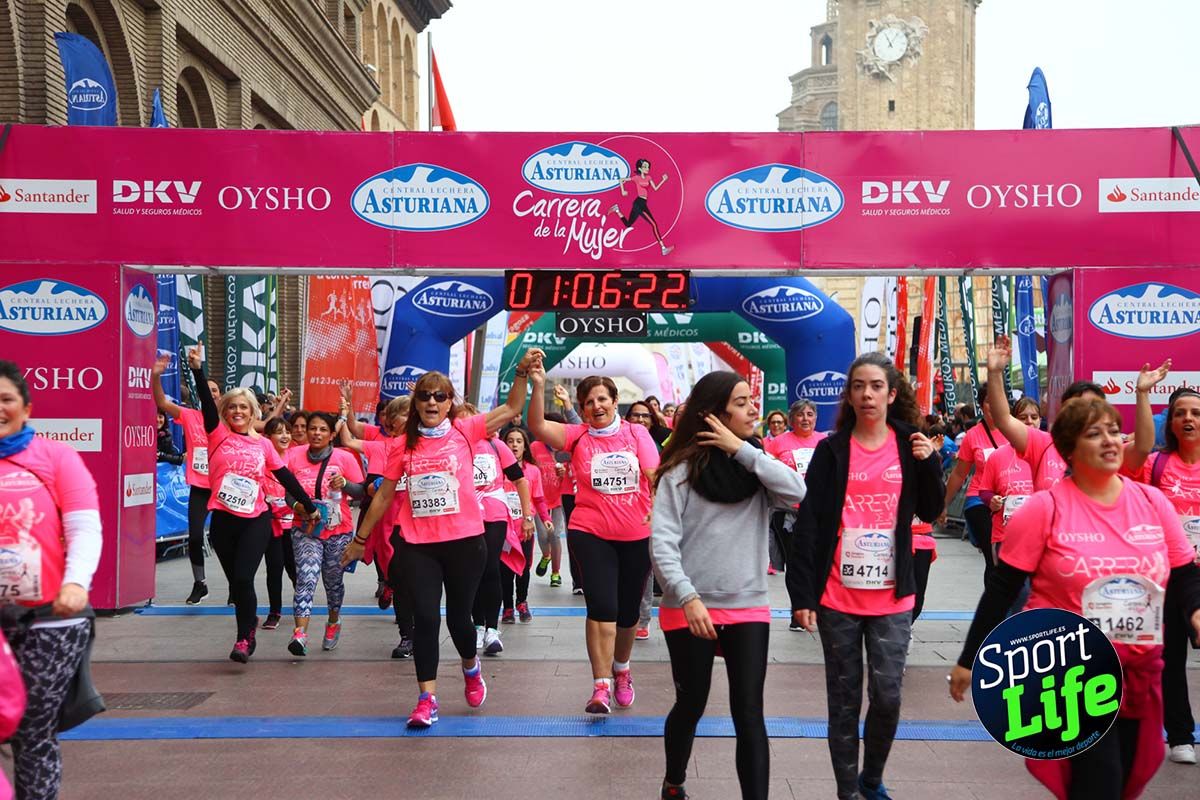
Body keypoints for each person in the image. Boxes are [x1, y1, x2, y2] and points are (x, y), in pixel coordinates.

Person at [950, 396, 1200, 800]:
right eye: (1094, 433)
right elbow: (1002, 588)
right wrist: (968, 659)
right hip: (1071, 674)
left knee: (1125, 782)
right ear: (1068, 449)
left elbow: (1185, 572)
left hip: (1139, 673)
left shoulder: (1153, 503)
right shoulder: (1043, 509)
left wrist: (1196, 612)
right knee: (1099, 783)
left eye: (1114, 432)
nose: (1110, 441)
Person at [342, 349, 543, 727]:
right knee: (425, 618)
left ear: (450, 402)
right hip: (418, 545)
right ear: (415, 402)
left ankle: (470, 667)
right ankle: (426, 698)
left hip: (466, 542)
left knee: (459, 621)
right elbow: (385, 494)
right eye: (424, 395)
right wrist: (360, 538)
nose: (432, 402)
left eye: (440, 396)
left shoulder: (467, 432)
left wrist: (520, 372)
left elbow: (514, 407)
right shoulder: (401, 444)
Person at [787, 352, 944, 800]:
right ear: (850, 395)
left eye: (876, 386)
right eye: (858, 386)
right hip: (838, 593)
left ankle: (871, 779)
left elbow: (931, 511)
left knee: (889, 694)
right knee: (844, 701)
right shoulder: (832, 450)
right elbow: (811, 522)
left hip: (893, 593)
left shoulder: (909, 444)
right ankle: (846, 792)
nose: (867, 394)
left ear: (891, 394)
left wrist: (930, 462)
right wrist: (802, 595)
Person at [651, 371, 806, 800]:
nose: (753, 408)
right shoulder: (678, 473)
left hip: (748, 605)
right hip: (689, 607)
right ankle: (674, 781)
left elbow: (799, 493)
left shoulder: (757, 468)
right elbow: (662, 546)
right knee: (692, 702)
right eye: (740, 402)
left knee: (749, 714)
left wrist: (743, 451)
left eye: (750, 399)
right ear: (715, 414)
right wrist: (688, 597)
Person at [528, 369, 661, 714]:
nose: (596, 406)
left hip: (636, 534)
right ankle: (600, 685)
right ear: (582, 409)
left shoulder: (637, 434)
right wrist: (538, 385)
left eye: (602, 399)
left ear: (615, 402)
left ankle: (622, 670)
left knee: (628, 612)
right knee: (601, 607)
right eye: (589, 402)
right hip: (590, 532)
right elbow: (539, 427)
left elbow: (653, 476)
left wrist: (662, 514)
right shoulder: (577, 436)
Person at [0, 360, 102, 800]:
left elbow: (84, 527)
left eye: (5, 399)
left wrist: (75, 584)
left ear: (27, 408)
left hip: (49, 621)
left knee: (29, 729)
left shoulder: (56, 457)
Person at [186, 346, 318, 662]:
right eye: (232, 407)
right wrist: (197, 370)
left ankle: (244, 638)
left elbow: (285, 476)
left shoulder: (262, 444)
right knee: (237, 584)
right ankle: (250, 621)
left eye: (244, 407)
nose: (238, 411)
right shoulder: (217, 434)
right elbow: (206, 403)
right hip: (222, 521)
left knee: (244, 578)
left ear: (253, 411)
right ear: (226, 411)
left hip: (256, 520)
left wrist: (308, 504)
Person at [1127, 383, 1200, 765]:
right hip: (1170, 574)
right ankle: (1181, 735)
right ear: (1170, 422)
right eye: (1180, 413)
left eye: (1195, 413)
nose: (1188, 419)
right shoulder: (1155, 464)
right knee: (1171, 659)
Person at [984, 336, 1160, 492]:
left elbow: (1143, 447)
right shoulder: (1043, 444)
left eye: (1093, 406)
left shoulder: (1111, 447)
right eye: (1077, 406)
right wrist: (995, 372)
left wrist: (1142, 393)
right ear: (1064, 412)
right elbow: (1003, 419)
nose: (1085, 413)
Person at [340, 394, 416, 658]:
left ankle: (417, 631)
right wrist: (345, 410)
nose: (413, 417)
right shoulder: (381, 446)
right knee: (398, 578)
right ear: (392, 422)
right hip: (388, 523)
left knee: (417, 581)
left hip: (421, 524)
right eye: (406, 413)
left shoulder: (430, 446)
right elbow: (349, 439)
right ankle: (407, 635)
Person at [285, 412, 365, 656]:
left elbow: (361, 491)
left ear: (332, 435)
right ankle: (300, 635)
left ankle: (333, 621)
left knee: (332, 582)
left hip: (337, 531)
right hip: (305, 529)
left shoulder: (344, 458)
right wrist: (299, 507)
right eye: (312, 429)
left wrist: (345, 485)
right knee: (306, 578)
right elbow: (289, 491)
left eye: (322, 430)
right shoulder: (293, 456)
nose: (316, 433)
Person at [464, 404, 532, 657]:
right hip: (466, 515)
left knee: (490, 566)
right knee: (472, 571)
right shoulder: (455, 445)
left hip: (494, 513)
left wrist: (527, 516)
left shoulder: (495, 445)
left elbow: (520, 480)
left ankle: (492, 629)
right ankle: (478, 625)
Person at [152, 355, 221, 604]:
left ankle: (237, 585)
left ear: (221, 397)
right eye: (208, 390)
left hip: (226, 488)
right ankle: (199, 583)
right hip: (201, 487)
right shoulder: (190, 416)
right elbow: (160, 401)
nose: (211, 394)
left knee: (225, 541)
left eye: (215, 391)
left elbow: (263, 426)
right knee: (194, 536)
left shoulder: (231, 420)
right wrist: (156, 375)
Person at [940, 382, 1008, 585]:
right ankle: (995, 612)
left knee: (1008, 559)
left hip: (1010, 502)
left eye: (998, 400)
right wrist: (943, 505)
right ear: (981, 405)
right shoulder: (973, 436)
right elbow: (959, 474)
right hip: (979, 500)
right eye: (989, 401)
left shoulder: (1016, 431)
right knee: (993, 555)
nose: (994, 405)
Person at [765, 399, 827, 579]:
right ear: (791, 420)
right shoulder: (777, 443)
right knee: (794, 563)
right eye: (800, 415)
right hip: (787, 512)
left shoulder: (825, 441)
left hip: (818, 513)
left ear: (816, 418)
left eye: (809, 414)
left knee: (818, 561)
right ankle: (798, 605)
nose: (805, 419)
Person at [500, 427, 550, 624]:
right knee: (504, 568)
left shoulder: (533, 471)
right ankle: (508, 607)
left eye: (518, 441)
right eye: (510, 441)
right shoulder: (497, 469)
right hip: (503, 528)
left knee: (523, 567)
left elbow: (538, 498)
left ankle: (522, 601)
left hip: (525, 527)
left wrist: (545, 518)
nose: (514, 445)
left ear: (524, 446)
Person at [626, 400, 663, 638]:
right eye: (635, 415)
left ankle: (643, 618)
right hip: (620, 515)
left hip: (649, 514)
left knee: (645, 570)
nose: (640, 420)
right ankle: (626, 612)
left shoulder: (661, 444)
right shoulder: (617, 441)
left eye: (645, 416)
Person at [260, 417, 297, 631]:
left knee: (294, 568)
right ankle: (274, 611)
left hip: (294, 523)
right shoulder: (261, 459)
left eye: (287, 432)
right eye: (279, 432)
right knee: (274, 568)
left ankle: (302, 605)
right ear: (267, 438)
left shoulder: (295, 456)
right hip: (271, 523)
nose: (285, 436)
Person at [530, 411, 571, 588]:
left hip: (559, 498)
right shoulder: (535, 447)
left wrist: (566, 472)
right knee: (543, 535)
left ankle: (556, 573)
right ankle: (546, 556)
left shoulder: (566, 448)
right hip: (539, 499)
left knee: (555, 535)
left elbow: (576, 471)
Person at [609, 158, 674, 256]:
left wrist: (663, 180)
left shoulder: (649, 178)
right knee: (654, 224)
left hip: (642, 203)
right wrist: (623, 191)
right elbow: (621, 179)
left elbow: (655, 188)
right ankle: (663, 248)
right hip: (639, 203)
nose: (647, 168)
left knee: (628, 224)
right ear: (639, 168)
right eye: (644, 167)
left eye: (648, 166)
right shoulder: (636, 178)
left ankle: (617, 210)